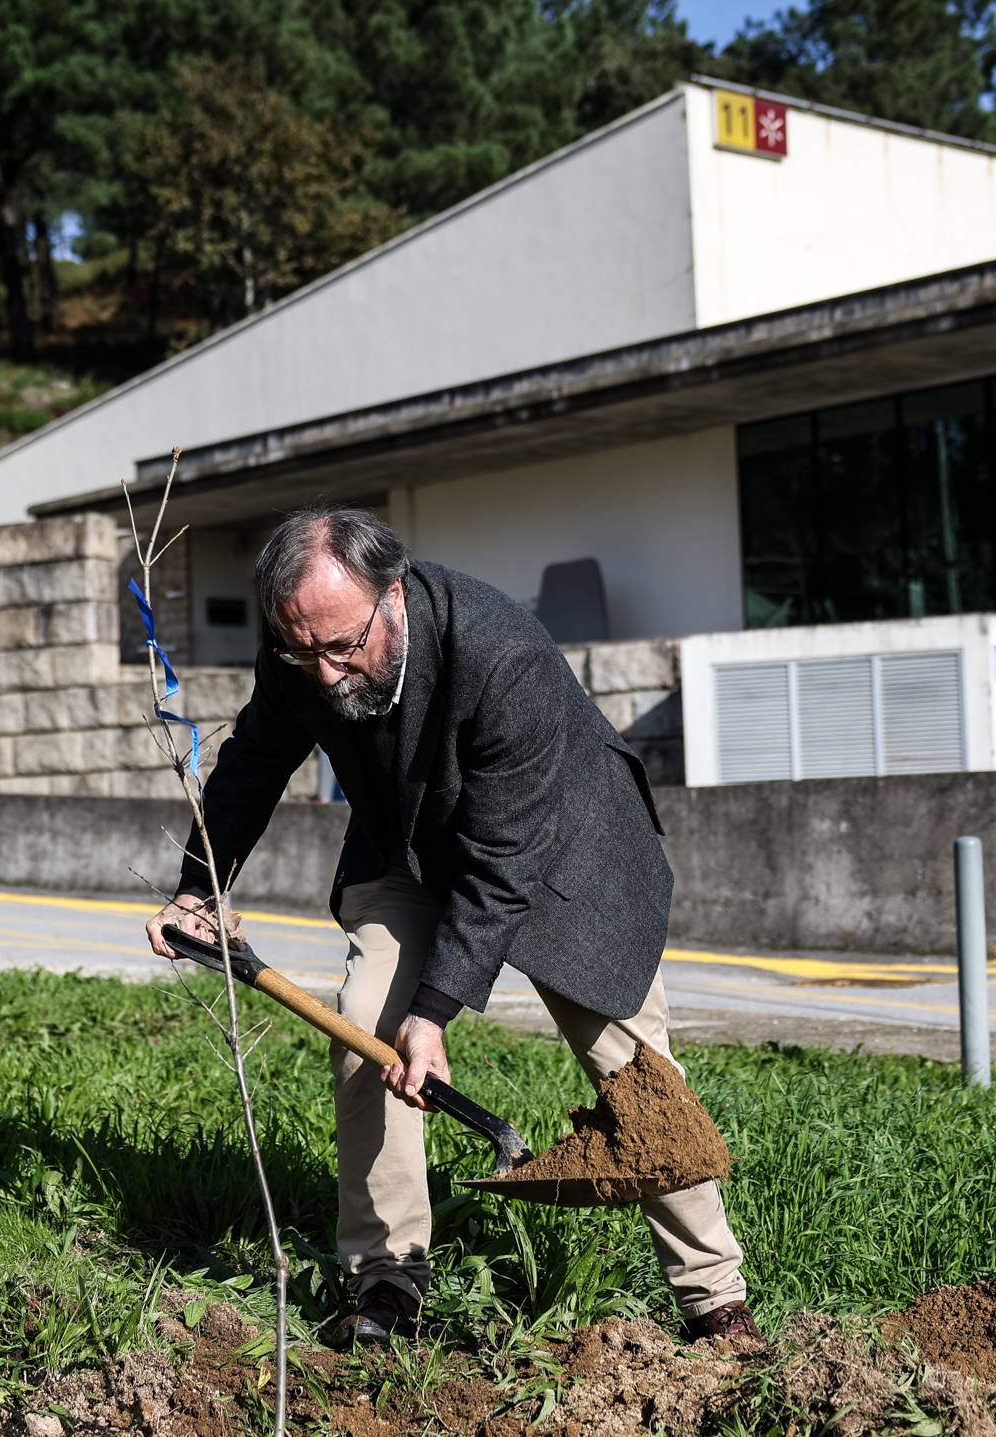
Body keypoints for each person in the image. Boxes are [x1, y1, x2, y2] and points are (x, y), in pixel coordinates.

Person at [146, 506, 758, 1350]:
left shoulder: (501, 652)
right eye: (302, 650)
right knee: (367, 1024)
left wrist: (435, 1012)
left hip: (559, 843)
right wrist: (197, 889)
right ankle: (388, 1274)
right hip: (409, 836)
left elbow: (501, 862)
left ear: (391, 594)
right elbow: (252, 761)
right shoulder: (304, 640)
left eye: (342, 646)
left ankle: (714, 1296)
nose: (324, 673)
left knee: (633, 1067)